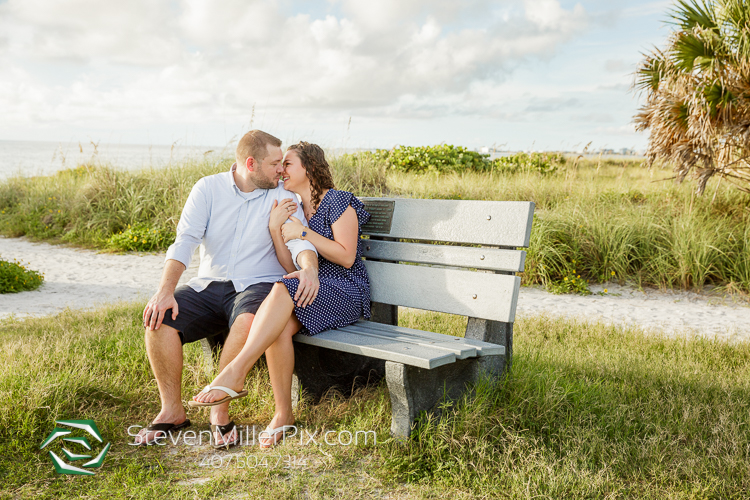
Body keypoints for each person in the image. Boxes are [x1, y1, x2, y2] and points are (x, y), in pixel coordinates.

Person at [134, 130, 320, 448]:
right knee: (158, 317)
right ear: (251, 163)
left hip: (257, 284)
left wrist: (309, 268)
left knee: (247, 321)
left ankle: (219, 413)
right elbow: (185, 240)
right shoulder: (208, 188)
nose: (282, 170)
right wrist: (165, 290)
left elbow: (300, 240)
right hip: (208, 283)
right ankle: (172, 410)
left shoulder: (283, 195)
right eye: (276, 163)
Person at [190, 141, 372, 448]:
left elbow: (346, 257)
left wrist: (303, 233)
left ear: (309, 168)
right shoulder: (293, 207)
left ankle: (235, 371)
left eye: (287, 164)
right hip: (311, 288)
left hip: (345, 289)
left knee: (280, 287)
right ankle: (283, 413)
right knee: (278, 330)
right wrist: (277, 230)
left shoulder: (339, 201)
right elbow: (289, 266)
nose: (280, 170)